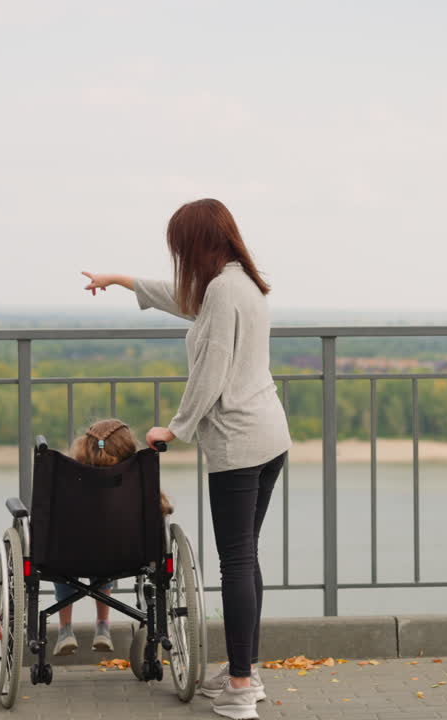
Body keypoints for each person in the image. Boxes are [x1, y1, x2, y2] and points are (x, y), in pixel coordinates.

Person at [82, 198, 290, 720]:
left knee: (237, 560)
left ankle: (241, 686)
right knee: (247, 556)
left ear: (197, 243)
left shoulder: (223, 291)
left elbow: (211, 370)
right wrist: (124, 281)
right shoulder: (242, 283)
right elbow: (184, 300)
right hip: (269, 437)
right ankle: (249, 669)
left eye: (180, 246)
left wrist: (174, 428)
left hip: (239, 445)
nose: (178, 256)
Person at [52, 418, 175, 657]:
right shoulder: (137, 479)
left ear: (84, 446)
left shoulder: (69, 479)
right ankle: (102, 627)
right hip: (122, 555)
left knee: (65, 561)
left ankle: (65, 630)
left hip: (69, 556)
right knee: (106, 553)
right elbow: (161, 510)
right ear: (128, 448)